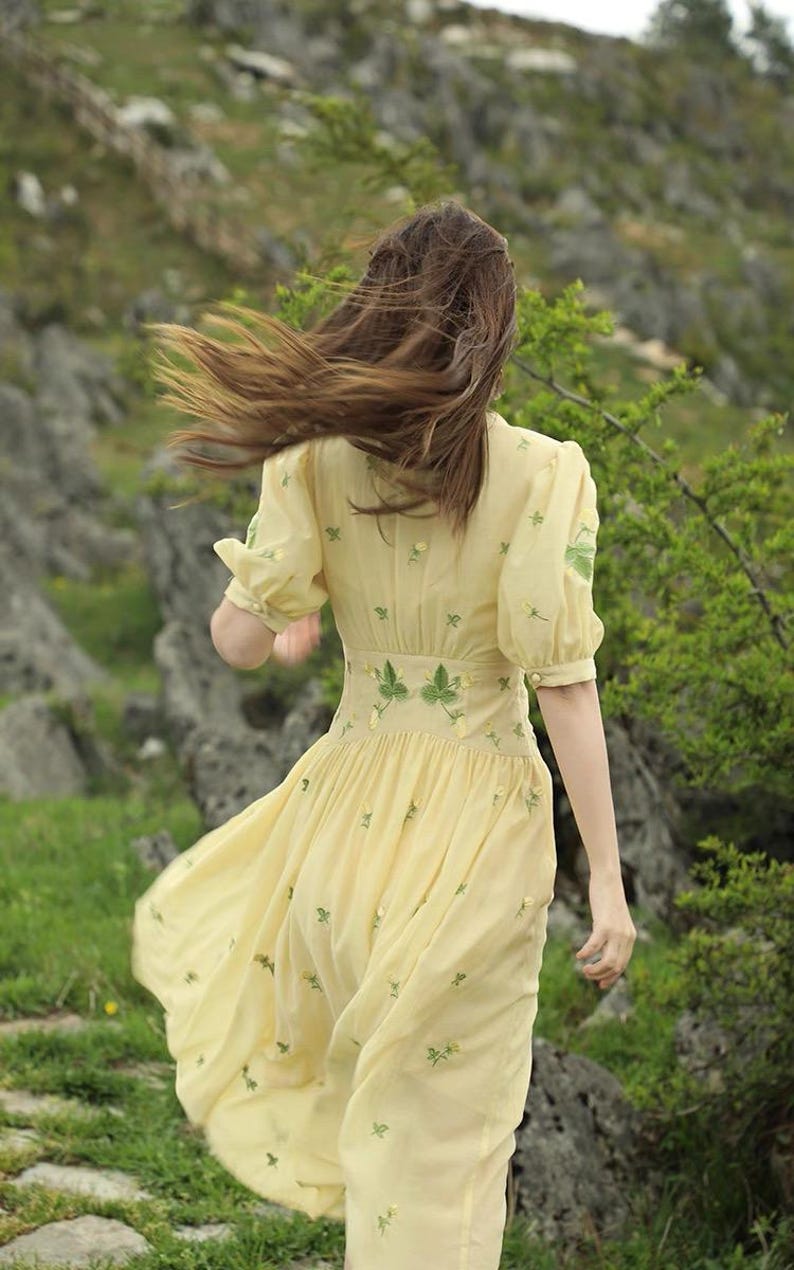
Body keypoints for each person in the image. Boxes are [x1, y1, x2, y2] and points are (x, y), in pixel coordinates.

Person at [131, 199, 636, 1270]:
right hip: (477, 833)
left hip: (343, 825)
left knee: (387, 1121)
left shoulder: (313, 463)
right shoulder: (546, 474)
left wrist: (279, 617)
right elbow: (564, 685)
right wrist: (606, 880)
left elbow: (237, 642)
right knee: (444, 1140)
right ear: (493, 329)